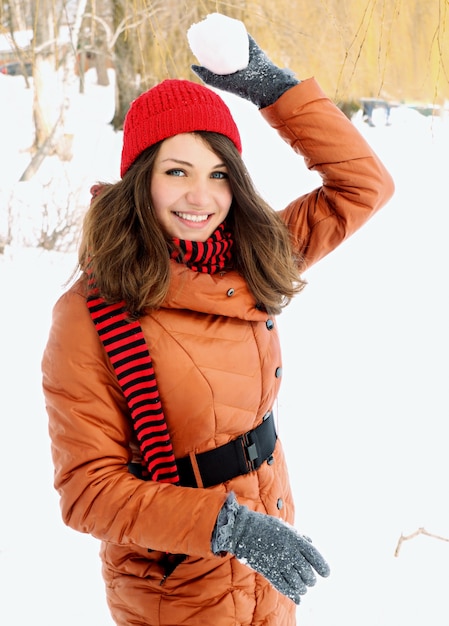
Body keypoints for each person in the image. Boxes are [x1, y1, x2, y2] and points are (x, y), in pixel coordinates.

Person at [42, 28, 394, 626]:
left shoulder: (251, 259)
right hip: (176, 584)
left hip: (271, 554)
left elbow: (364, 185)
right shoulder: (92, 312)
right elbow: (88, 490)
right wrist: (229, 529)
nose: (200, 197)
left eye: (219, 173)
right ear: (141, 177)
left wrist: (270, 89)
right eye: (177, 172)